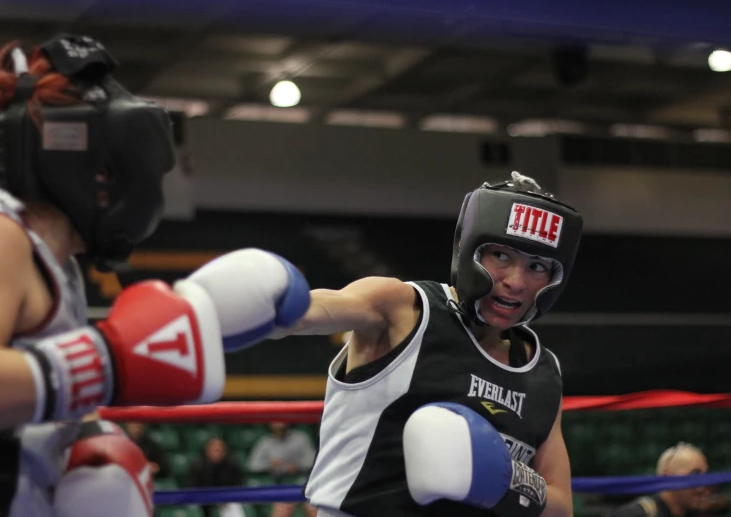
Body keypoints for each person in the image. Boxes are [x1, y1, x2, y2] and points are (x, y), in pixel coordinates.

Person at [0, 34, 310, 517]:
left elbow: (45, 401)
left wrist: (97, 440)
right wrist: (112, 359)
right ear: (91, 169)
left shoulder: (61, 267)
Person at [271, 171, 583, 517]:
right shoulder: (404, 308)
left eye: (537, 266)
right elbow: (306, 312)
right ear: (469, 250)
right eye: (502, 257)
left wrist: (505, 479)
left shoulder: (542, 371)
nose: (516, 282)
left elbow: (562, 507)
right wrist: (259, 302)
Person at [609, 443, 727, 517]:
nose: (703, 484)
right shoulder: (636, 514)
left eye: (705, 476)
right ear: (667, 478)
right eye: (694, 475)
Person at [247, 422, 318, 517]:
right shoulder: (266, 442)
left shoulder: (300, 438)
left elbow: (312, 460)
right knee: (281, 508)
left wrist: (297, 466)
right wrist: (270, 465)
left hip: (300, 481)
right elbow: (253, 465)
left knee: (312, 506)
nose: (279, 425)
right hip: (277, 483)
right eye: (276, 423)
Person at [187, 437, 245, 517]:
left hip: (226, 500)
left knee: (235, 506)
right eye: (214, 450)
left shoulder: (231, 464)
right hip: (202, 499)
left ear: (224, 452)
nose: (216, 453)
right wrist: (215, 499)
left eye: (219, 450)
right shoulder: (198, 465)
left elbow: (238, 485)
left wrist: (226, 498)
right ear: (207, 451)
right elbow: (194, 488)